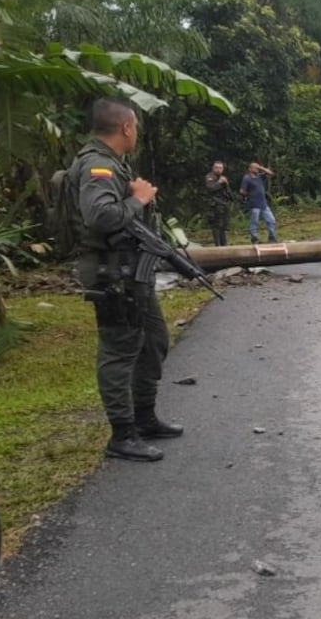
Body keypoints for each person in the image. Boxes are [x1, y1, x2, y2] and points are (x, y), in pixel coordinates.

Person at [65, 98, 183, 463]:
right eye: (136, 128)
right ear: (126, 127)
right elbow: (100, 216)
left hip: (130, 271)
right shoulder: (98, 165)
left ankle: (144, 419)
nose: (137, 133)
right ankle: (122, 434)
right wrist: (140, 199)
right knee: (119, 351)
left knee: (153, 341)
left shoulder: (113, 162)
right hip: (111, 272)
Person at [239, 162, 278, 244]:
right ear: (250, 169)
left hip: (263, 204)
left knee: (271, 220)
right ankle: (254, 238)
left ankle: (272, 237)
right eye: (255, 167)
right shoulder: (247, 178)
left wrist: (261, 167)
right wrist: (250, 195)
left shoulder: (260, 176)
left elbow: (271, 174)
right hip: (253, 204)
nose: (257, 169)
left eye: (257, 168)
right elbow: (242, 191)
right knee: (254, 222)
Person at [204, 160, 233, 246]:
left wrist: (226, 184)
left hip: (224, 205)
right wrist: (219, 182)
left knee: (223, 227)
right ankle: (218, 245)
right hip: (214, 206)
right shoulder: (210, 177)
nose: (218, 170)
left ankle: (224, 244)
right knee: (217, 226)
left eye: (220, 168)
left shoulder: (223, 178)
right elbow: (210, 189)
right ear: (213, 168)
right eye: (216, 167)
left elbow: (229, 194)